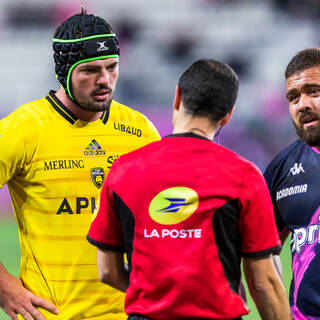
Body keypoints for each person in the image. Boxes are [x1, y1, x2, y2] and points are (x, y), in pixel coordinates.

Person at [87, 59, 291, 320]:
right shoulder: (244, 175)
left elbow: (107, 271)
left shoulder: (123, 170)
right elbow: (264, 282)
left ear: (177, 96)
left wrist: (159, 296)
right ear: (228, 115)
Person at [0, 7, 160, 320]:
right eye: (90, 70)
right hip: (53, 314)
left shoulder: (141, 130)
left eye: (112, 67)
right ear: (63, 70)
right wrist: (3, 285)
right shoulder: (23, 129)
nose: (105, 80)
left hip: (132, 313)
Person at [264, 47, 320, 319]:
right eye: (293, 97)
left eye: (314, 91)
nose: (303, 104)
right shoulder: (282, 167)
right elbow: (261, 251)